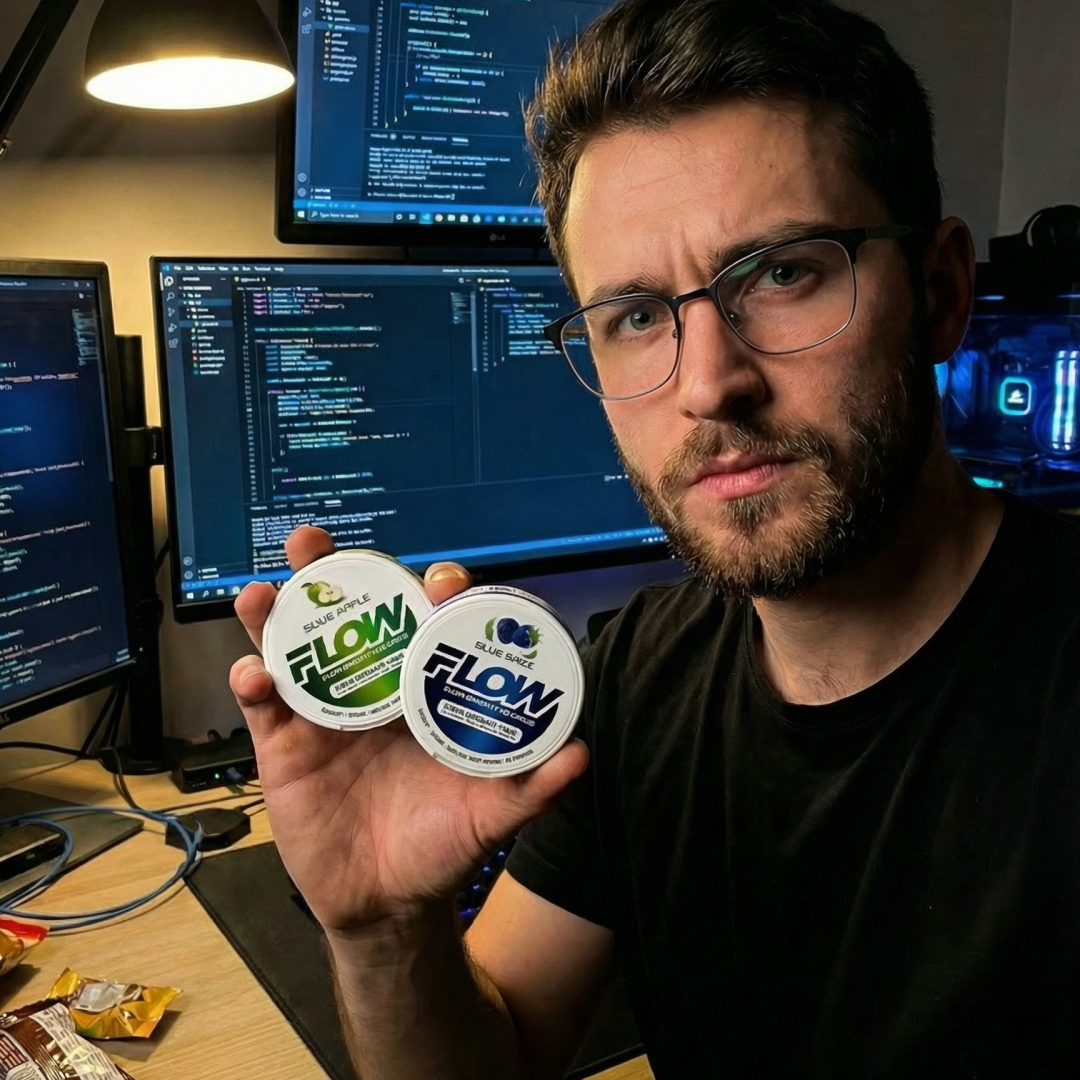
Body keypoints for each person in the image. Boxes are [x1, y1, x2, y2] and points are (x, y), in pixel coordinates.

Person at [230, 0, 1080, 1076]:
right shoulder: (630, 679)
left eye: (782, 273)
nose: (710, 384)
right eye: (635, 316)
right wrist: (383, 930)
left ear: (943, 292)